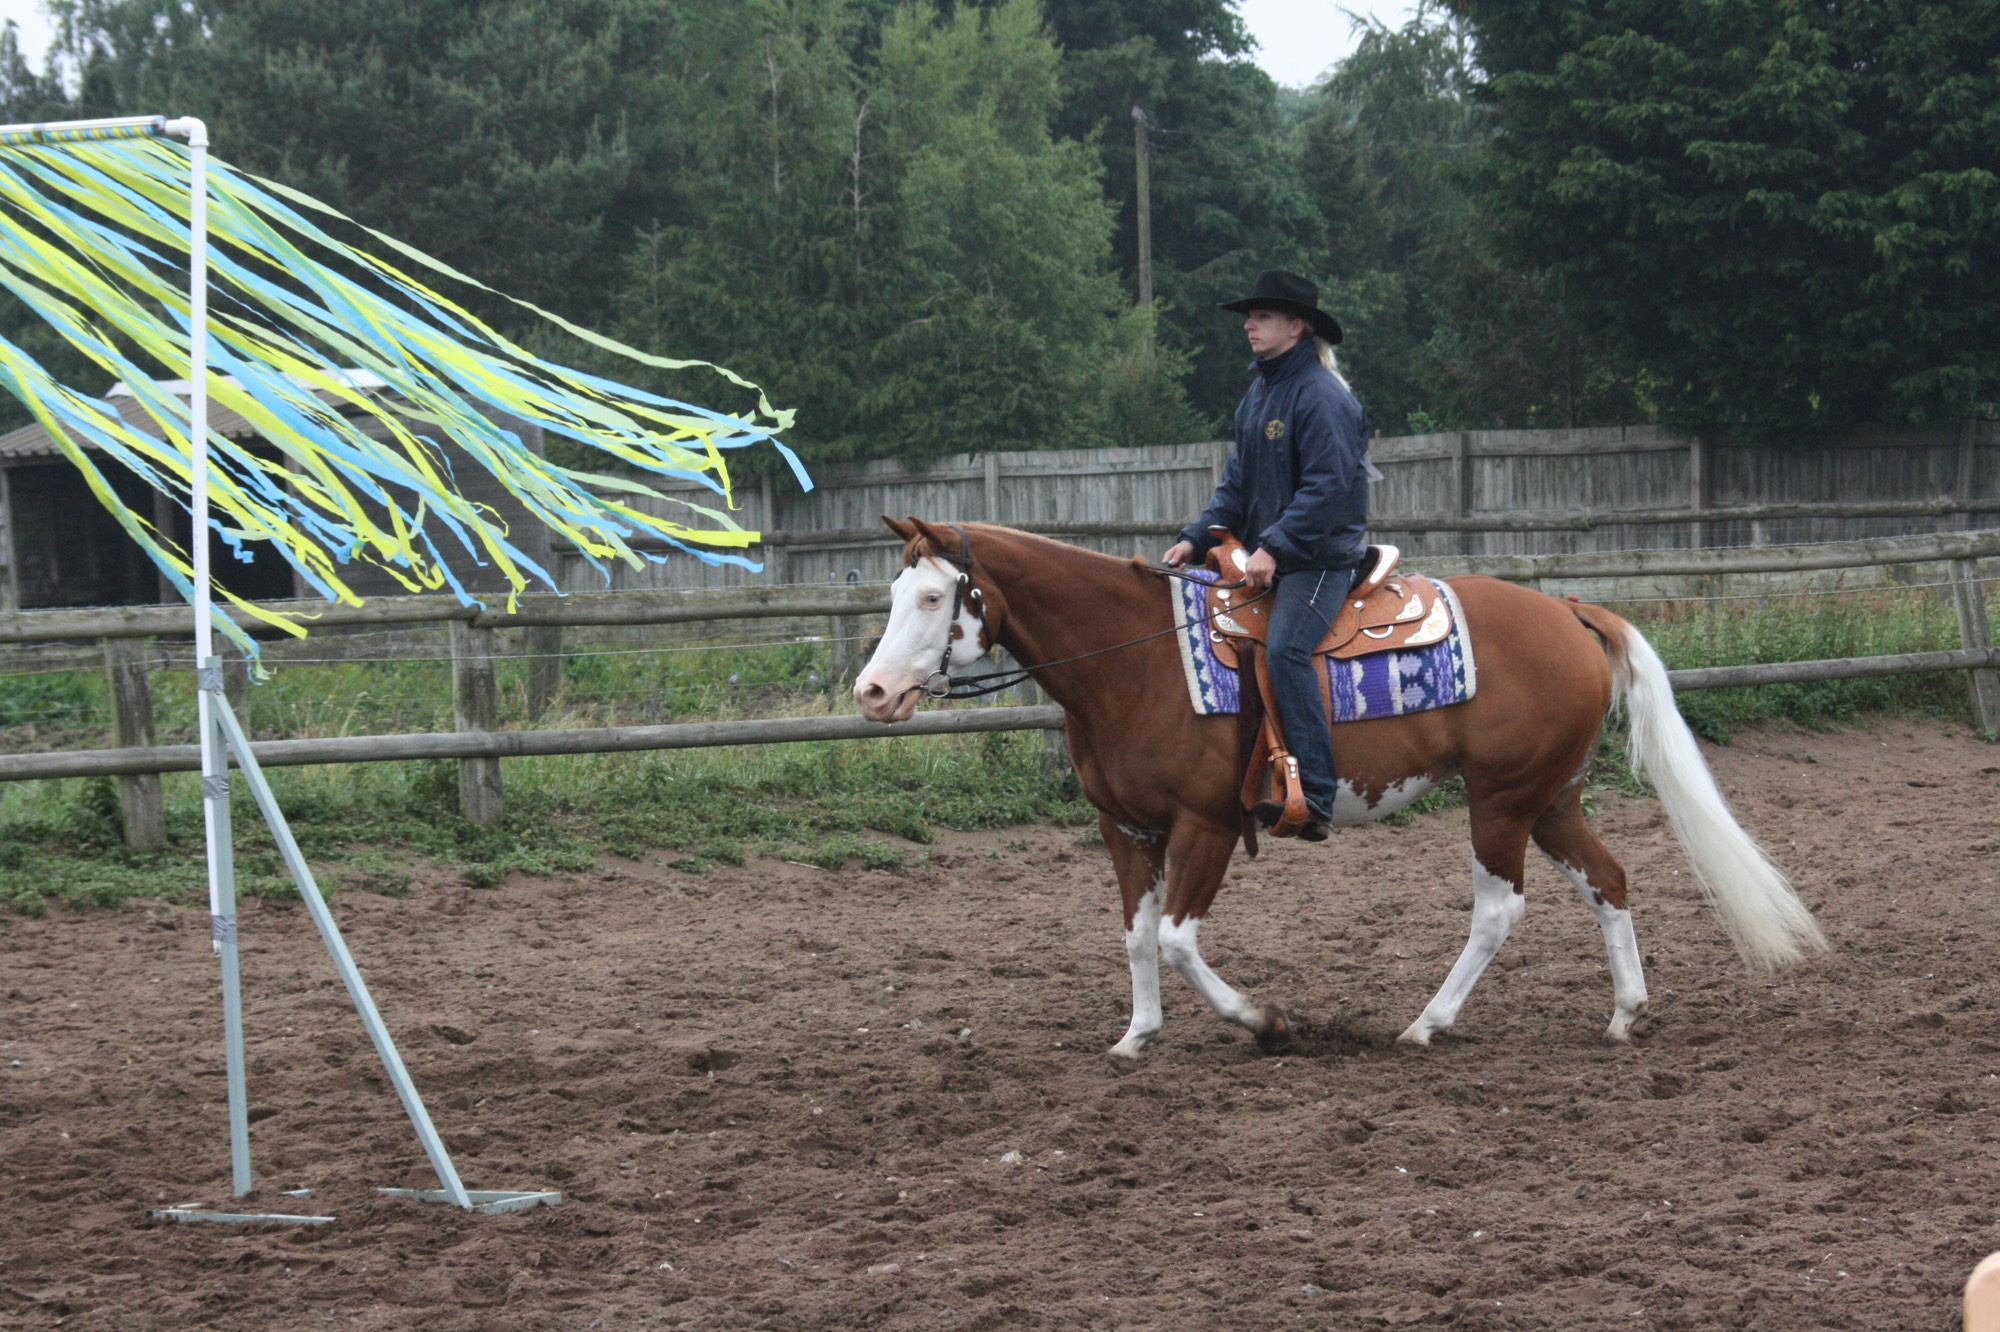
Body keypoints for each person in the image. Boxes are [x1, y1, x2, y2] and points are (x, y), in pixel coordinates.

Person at [1162, 269, 1369, 842]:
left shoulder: (1323, 397)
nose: (1249, 324)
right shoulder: (1260, 393)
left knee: (1285, 650)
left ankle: (1318, 797)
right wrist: (1198, 534)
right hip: (1273, 556)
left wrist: (1274, 545)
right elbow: (1236, 484)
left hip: (1322, 557)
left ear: (1296, 326)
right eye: (1249, 316)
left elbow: (1327, 488)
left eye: (1263, 316)